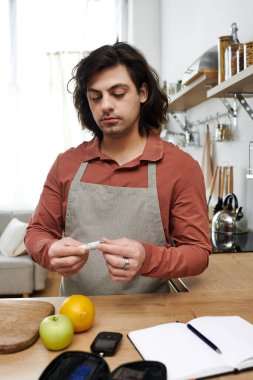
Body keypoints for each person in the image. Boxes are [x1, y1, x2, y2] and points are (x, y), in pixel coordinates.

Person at [25, 42, 211, 296]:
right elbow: (37, 232)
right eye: (95, 97)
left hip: (152, 317)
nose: (106, 106)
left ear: (142, 93)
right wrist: (48, 250)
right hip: (76, 314)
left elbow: (198, 253)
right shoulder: (66, 164)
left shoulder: (181, 167)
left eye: (118, 93)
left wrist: (148, 258)